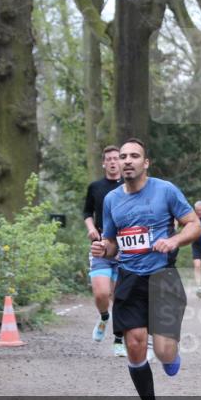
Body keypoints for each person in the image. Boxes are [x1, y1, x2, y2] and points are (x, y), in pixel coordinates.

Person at [91, 138, 201, 400]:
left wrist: (174, 240)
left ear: (146, 162)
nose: (127, 160)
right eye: (123, 156)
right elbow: (112, 243)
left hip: (162, 278)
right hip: (128, 278)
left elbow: (193, 224)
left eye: (134, 156)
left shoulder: (165, 190)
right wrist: (104, 249)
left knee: (164, 351)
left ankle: (170, 355)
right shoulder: (111, 200)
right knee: (135, 344)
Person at [83, 145, 126, 357]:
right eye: (108, 159)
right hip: (101, 245)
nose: (112, 162)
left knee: (119, 297)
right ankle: (103, 317)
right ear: (103, 163)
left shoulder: (129, 186)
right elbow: (87, 212)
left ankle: (119, 340)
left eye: (116, 158)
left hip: (125, 247)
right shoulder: (95, 187)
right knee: (101, 293)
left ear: (121, 162)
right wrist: (91, 228)